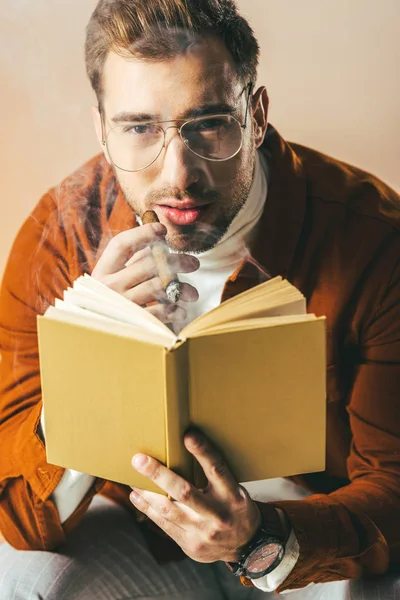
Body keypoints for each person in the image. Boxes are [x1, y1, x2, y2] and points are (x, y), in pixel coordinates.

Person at [0, 0, 399, 598]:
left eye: (208, 123)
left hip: (311, 529)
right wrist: (91, 359)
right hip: (145, 530)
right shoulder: (60, 235)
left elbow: (393, 487)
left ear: (256, 116)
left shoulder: (373, 239)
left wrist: (262, 541)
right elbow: (16, 516)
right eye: (140, 129)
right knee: (28, 580)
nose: (179, 174)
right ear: (102, 129)